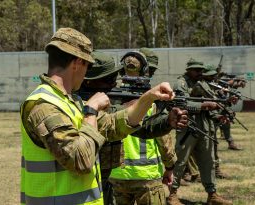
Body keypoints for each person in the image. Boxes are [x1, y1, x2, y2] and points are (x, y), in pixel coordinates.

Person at [20, 28, 176, 205]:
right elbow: (80, 160)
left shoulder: (71, 101)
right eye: (88, 65)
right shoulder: (44, 105)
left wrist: (149, 97)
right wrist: (91, 111)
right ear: (77, 63)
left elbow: (114, 124)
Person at [79, 50, 187, 205]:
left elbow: (138, 126)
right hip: (136, 177)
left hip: (112, 177)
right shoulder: (88, 105)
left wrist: (167, 122)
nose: (114, 83)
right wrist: (170, 165)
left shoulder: (110, 101)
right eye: (108, 79)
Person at [108, 51, 178, 205]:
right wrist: (170, 166)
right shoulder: (150, 101)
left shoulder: (110, 101)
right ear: (145, 71)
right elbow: (163, 140)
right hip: (147, 177)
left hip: (116, 175)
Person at [167, 59, 232, 205]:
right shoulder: (181, 83)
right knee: (180, 162)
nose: (199, 73)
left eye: (201, 70)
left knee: (208, 162)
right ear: (189, 69)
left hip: (205, 127)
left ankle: (212, 194)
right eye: (196, 70)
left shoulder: (203, 83)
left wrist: (218, 115)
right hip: (188, 128)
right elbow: (180, 103)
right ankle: (172, 194)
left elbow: (212, 104)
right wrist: (203, 106)